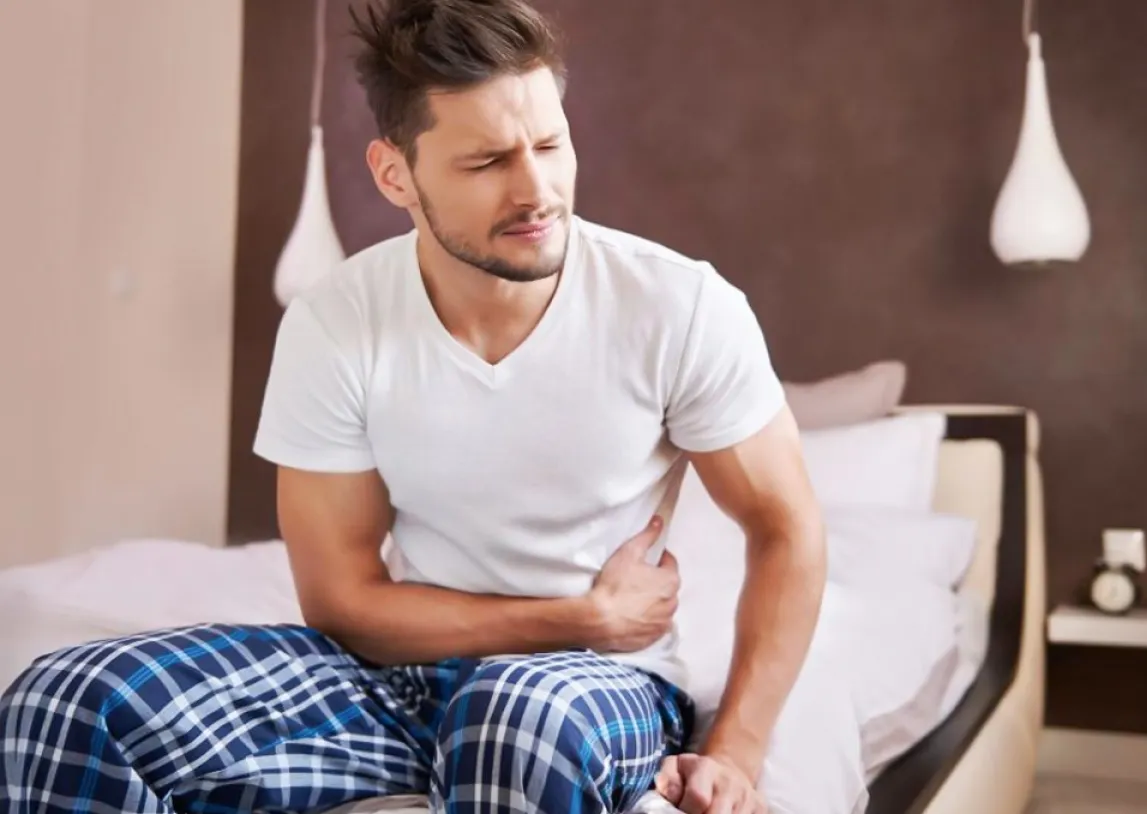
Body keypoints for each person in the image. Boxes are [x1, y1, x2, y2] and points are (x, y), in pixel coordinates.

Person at [0, 1, 826, 812]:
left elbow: (786, 529)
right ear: (395, 174)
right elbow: (343, 603)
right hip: (403, 681)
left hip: (595, 685)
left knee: (514, 721)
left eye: (550, 145)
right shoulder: (337, 321)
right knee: (67, 703)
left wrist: (736, 753)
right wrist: (579, 614)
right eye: (487, 162)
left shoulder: (678, 307)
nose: (536, 189)